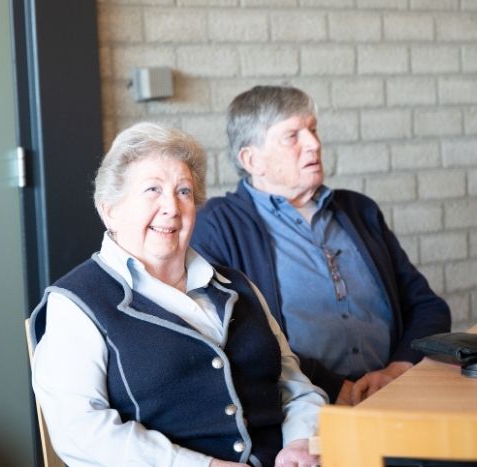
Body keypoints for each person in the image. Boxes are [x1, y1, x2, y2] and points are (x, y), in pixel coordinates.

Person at [31, 122, 325, 467]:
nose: (171, 207)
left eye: (183, 191)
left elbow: (295, 387)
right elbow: (81, 431)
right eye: (152, 190)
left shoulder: (237, 286)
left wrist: (301, 442)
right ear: (109, 209)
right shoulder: (76, 303)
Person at [191, 85, 451, 406]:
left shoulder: (359, 211)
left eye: (313, 130)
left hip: (393, 394)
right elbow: (230, 336)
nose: (314, 144)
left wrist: (398, 369)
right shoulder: (218, 225)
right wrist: (332, 386)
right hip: (300, 408)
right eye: (292, 136)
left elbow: (428, 306)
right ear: (252, 159)